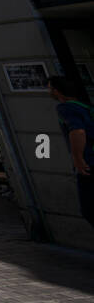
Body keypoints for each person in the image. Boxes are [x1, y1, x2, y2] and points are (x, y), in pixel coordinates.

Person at [49, 75, 94, 230]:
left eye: (50, 88)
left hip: (89, 162)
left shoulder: (66, 108)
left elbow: (78, 131)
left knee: (89, 209)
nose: (49, 91)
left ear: (57, 90)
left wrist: (78, 158)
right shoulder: (85, 106)